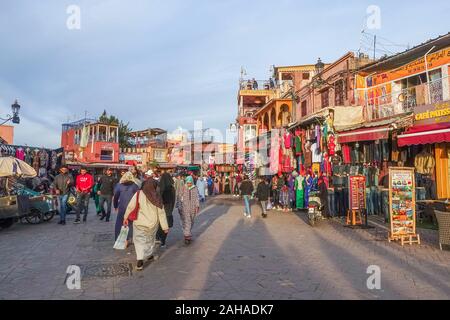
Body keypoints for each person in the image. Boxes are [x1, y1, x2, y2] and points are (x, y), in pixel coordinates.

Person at [123, 178, 168, 271]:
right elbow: (161, 213)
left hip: (139, 222)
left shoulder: (139, 194)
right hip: (152, 223)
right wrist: (165, 227)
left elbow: (130, 207)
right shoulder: (157, 197)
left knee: (139, 241)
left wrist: (125, 218)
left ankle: (140, 259)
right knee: (150, 240)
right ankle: (149, 255)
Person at [113, 172, 140, 243]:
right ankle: (129, 238)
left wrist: (115, 206)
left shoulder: (119, 185)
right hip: (132, 207)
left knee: (119, 223)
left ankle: (118, 239)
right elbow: (138, 197)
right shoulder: (135, 186)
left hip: (122, 206)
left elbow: (115, 197)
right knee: (131, 222)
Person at [176, 176, 200, 245]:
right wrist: (179, 206)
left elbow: (197, 197)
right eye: (188, 182)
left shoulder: (195, 188)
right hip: (185, 207)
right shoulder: (183, 188)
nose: (189, 184)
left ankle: (187, 232)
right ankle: (187, 236)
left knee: (191, 221)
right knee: (187, 221)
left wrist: (197, 205)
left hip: (193, 208)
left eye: (190, 183)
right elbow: (179, 197)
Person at [156, 172, 176, 247]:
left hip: (160, 209)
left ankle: (158, 238)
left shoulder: (159, 188)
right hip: (168, 210)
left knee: (159, 225)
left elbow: (157, 199)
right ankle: (163, 241)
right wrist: (171, 209)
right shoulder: (172, 188)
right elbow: (173, 200)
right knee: (166, 226)